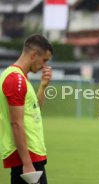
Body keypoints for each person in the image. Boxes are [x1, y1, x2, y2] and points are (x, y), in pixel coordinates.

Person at [0, 34, 53, 184]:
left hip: (32, 155)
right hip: (26, 159)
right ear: (34, 55)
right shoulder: (15, 79)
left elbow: (34, 111)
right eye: (44, 60)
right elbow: (16, 123)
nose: (44, 65)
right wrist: (27, 164)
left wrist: (43, 86)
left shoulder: (21, 78)